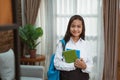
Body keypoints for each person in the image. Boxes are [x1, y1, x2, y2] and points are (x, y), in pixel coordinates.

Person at [54, 15, 93, 80]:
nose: (75, 29)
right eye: (73, 26)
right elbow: (57, 63)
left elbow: (90, 66)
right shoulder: (62, 43)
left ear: (82, 28)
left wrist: (84, 66)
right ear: (69, 27)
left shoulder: (86, 44)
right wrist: (73, 65)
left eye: (78, 26)